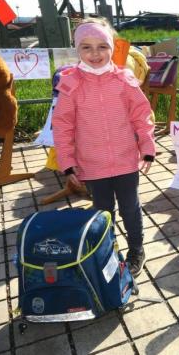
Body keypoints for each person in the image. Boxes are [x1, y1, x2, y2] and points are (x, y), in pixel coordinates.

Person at [52, 17, 155, 276]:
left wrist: (148, 147)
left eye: (102, 46)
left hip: (125, 160)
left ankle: (136, 249)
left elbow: (141, 115)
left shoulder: (124, 80)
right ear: (77, 49)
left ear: (112, 47)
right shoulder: (71, 84)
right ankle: (104, 247)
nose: (95, 53)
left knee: (130, 207)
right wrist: (66, 161)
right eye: (86, 47)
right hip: (92, 163)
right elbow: (63, 125)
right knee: (102, 210)